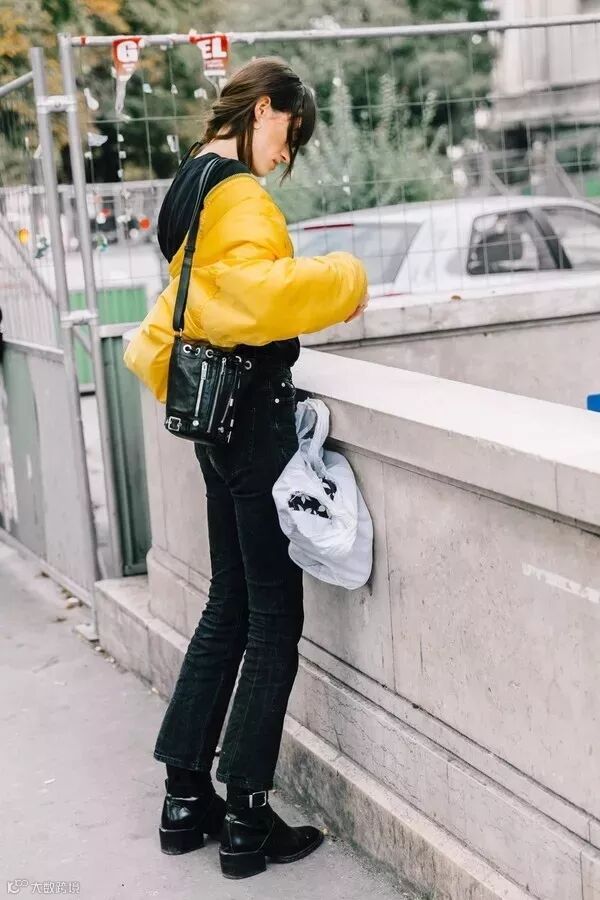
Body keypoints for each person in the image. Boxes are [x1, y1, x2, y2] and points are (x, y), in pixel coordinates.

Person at [125, 56, 369, 880]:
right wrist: (346, 276)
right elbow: (254, 297)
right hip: (255, 415)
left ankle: (184, 796)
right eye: (289, 134)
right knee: (272, 617)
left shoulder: (189, 183)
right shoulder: (238, 194)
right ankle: (247, 820)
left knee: (228, 602)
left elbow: (198, 297)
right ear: (264, 109)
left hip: (211, 417)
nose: (286, 154)